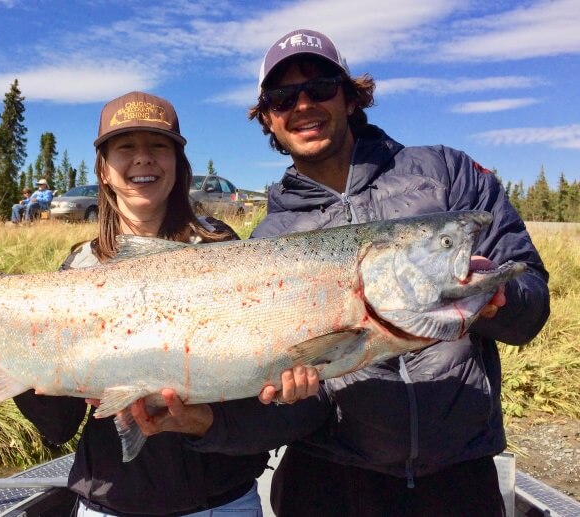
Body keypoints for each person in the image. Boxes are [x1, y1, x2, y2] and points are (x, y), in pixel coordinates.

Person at [132, 29, 550, 516]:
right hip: (326, 484)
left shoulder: (448, 176)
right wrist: (237, 414)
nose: (303, 104)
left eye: (320, 86)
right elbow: (282, 409)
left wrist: (495, 302)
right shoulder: (269, 240)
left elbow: (531, 306)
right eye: (284, 97)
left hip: (460, 477)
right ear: (268, 117)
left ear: (350, 96)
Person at [0, 91, 276, 516]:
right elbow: (58, 425)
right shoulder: (79, 269)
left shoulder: (224, 252)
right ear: (103, 171)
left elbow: (254, 389)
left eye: (158, 147)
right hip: (109, 501)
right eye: (125, 148)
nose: (142, 159)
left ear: (179, 166)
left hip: (221, 502)